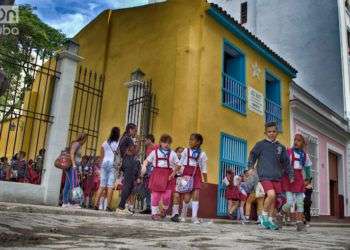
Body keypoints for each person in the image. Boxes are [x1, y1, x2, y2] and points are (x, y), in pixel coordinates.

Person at [248, 122, 294, 230]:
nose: (271, 133)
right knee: (271, 195)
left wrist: (291, 174)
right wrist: (250, 167)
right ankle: (263, 217)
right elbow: (252, 155)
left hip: (277, 177)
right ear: (265, 133)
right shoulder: (261, 144)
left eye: (273, 131)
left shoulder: (281, 147)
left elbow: (286, 162)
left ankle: (270, 220)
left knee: (273, 200)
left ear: (277, 132)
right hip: (265, 176)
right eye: (269, 132)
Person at [172, 133, 208, 224]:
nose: (190, 141)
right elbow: (180, 164)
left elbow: (204, 168)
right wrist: (173, 173)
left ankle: (194, 217)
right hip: (186, 174)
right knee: (187, 197)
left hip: (196, 175)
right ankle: (183, 215)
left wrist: (205, 181)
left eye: (192, 140)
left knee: (196, 195)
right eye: (190, 139)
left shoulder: (202, 154)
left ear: (198, 142)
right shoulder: (186, 151)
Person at [141, 134, 179, 220]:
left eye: (168, 143)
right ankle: (154, 213)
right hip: (156, 174)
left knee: (167, 196)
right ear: (160, 143)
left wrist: (173, 174)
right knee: (155, 196)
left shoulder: (172, 153)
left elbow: (178, 164)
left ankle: (164, 210)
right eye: (165, 142)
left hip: (168, 175)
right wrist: (144, 166)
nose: (167, 144)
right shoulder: (155, 152)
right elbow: (146, 160)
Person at [282, 134, 312, 231]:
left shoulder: (305, 155)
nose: (296, 142)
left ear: (303, 143)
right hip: (289, 177)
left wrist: (308, 179)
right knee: (290, 202)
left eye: (299, 140)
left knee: (300, 203)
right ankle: (281, 213)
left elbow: (308, 168)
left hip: (299, 178)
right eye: (295, 140)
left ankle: (299, 223)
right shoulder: (289, 152)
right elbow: (283, 164)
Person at [115, 123, 141, 214]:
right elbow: (135, 152)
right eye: (135, 130)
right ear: (130, 129)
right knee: (127, 185)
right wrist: (138, 142)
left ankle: (122, 206)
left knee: (129, 186)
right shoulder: (128, 138)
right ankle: (121, 207)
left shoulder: (123, 138)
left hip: (126, 162)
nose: (136, 132)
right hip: (129, 163)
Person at [94, 127, 120, 211]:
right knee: (110, 186)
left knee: (102, 185)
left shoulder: (105, 143)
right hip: (112, 165)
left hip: (104, 164)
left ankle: (95, 204)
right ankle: (108, 206)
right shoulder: (117, 144)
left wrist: (101, 167)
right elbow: (119, 156)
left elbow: (101, 156)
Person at [62, 133, 88, 208]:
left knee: (68, 184)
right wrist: (73, 165)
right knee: (73, 184)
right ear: (83, 138)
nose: (85, 141)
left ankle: (65, 202)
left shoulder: (78, 145)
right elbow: (72, 154)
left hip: (74, 166)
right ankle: (72, 203)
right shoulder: (76, 144)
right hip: (72, 167)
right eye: (85, 139)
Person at [140, 134, 158, 214]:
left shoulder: (157, 147)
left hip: (154, 168)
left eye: (146, 140)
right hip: (147, 169)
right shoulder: (147, 148)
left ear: (150, 140)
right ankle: (148, 207)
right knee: (147, 188)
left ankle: (154, 207)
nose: (144, 142)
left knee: (153, 188)